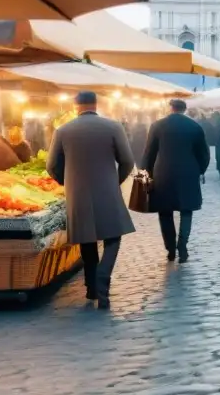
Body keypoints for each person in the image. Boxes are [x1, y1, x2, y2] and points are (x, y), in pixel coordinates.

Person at [47, 91, 136, 309]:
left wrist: (66, 182)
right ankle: (103, 276)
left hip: (78, 194)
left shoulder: (63, 130)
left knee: (87, 240)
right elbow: (127, 161)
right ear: (96, 104)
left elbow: (51, 166)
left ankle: (92, 288)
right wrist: (115, 181)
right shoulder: (114, 127)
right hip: (108, 190)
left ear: (75, 106)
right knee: (113, 237)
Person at [142, 99, 210, 263]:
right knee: (186, 211)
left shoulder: (157, 125)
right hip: (188, 173)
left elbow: (149, 153)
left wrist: (148, 173)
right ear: (184, 109)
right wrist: (200, 169)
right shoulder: (194, 127)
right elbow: (204, 154)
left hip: (163, 174)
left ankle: (170, 248)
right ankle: (183, 246)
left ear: (170, 108)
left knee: (165, 212)